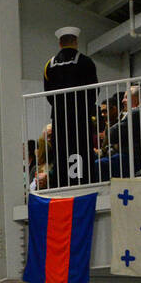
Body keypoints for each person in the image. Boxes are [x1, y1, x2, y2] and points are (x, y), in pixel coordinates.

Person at [43, 25, 98, 187]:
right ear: (76, 42)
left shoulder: (49, 65)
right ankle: (84, 181)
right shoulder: (86, 62)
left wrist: (60, 107)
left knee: (61, 150)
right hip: (80, 116)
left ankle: (62, 182)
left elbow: (48, 93)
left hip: (59, 117)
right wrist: (84, 107)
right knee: (81, 148)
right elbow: (93, 89)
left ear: (60, 44)